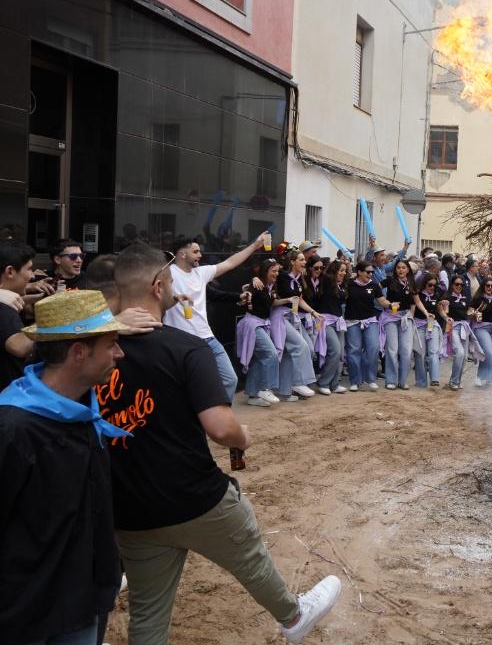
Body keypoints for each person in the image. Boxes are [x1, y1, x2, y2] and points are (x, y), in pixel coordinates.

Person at [99, 244, 341, 644]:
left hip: (131, 507)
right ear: (160, 286)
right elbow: (220, 427)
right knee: (250, 559)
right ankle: (294, 616)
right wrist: (242, 436)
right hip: (195, 497)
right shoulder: (185, 347)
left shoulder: (95, 350)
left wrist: (106, 324)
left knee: (148, 613)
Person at [0, 290, 130, 644]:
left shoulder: (83, 414)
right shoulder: (15, 427)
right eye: (112, 344)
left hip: (82, 601)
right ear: (78, 352)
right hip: (25, 614)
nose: (119, 353)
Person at [164, 231, 271, 403]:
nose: (200, 255)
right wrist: (174, 299)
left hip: (208, 338)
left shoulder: (201, 273)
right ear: (182, 254)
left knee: (230, 379)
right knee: (185, 386)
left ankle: (218, 419)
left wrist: (255, 245)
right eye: (196, 251)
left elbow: (230, 263)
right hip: (182, 341)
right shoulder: (168, 274)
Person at [235, 258, 285, 407]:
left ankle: (252, 394)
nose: (276, 274)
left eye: (277, 271)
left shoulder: (271, 286)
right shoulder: (257, 284)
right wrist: (251, 283)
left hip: (261, 324)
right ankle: (265, 388)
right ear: (265, 271)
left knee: (258, 359)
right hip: (252, 324)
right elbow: (246, 296)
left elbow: (272, 302)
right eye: (273, 271)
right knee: (271, 354)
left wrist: (288, 299)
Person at [274, 249, 320, 399]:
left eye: (304, 260)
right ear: (292, 262)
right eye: (301, 259)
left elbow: (299, 300)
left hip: (292, 317)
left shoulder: (299, 279)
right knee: (301, 346)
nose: (304, 262)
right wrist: (255, 278)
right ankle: (299, 382)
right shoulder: (281, 275)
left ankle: (284, 391)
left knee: (304, 349)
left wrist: (313, 312)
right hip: (279, 316)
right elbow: (264, 273)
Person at [345, 260, 391, 391]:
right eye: (368, 272)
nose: (370, 274)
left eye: (372, 272)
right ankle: (355, 381)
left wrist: (391, 305)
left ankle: (370, 378)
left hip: (370, 320)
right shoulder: (349, 284)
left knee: (374, 348)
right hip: (352, 321)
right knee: (354, 351)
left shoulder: (374, 285)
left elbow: (382, 301)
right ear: (359, 272)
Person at [0, 241, 36, 391]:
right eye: (29, 269)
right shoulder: (3, 307)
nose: (32, 275)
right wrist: (52, 317)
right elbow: (19, 347)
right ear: (10, 272)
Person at [311, 259, 348, 394]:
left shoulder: (341, 285)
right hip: (324, 320)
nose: (343, 273)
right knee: (335, 350)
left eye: (345, 271)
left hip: (338, 321)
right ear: (334, 270)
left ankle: (334, 383)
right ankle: (324, 382)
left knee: (340, 353)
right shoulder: (326, 281)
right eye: (341, 270)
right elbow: (318, 272)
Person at [381, 260, 418, 390]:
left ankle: (402, 381)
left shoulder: (412, 283)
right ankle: (391, 380)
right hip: (390, 317)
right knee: (392, 349)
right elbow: (375, 287)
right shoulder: (390, 280)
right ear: (395, 270)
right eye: (398, 268)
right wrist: (384, 302)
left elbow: (414, 301)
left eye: (403, 268)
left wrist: (411, 316)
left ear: (408, 270)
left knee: (406, 351)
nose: (401, 270)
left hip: (406, 317)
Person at [413, 274, 447, 388]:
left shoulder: (437, 295)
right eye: (430, 285)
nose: (432, 287)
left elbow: (440, 310)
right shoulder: (418, 295)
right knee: (420, 353)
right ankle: (421, 381)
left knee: (434, 351)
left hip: (432, 324)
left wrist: (446, 317)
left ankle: (435, 378)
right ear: (424, 284)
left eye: (434, 285)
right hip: (419, 324)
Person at [443, 275, 474, 390]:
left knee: (465, 356)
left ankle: (457, 380)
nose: (459, 286)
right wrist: (446, 314)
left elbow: (469, 311)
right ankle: (453, 381)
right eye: (457, 284)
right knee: (459, 353)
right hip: (453, 327)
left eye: (461, 284)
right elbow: (444, 312)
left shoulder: (465, 298)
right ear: (452, 285)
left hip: (464, 326)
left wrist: (472, 313)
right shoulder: (447, 298)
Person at [471, 277, 492, 387]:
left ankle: (491, 378)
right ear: (483, 286)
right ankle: (480, 376)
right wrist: (475, 313)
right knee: (488, 350)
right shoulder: (478, 298)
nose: (490, 287)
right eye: (487, 285)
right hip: (481, 327)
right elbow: (470, 311)